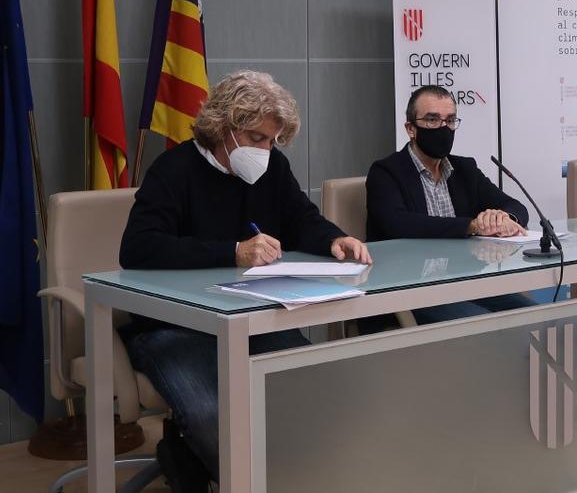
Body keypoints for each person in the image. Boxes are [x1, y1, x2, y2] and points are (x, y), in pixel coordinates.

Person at [119, 70, 371, 492]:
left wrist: (334, 239)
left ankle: (288, 478)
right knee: (211, 414)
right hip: (174, 326)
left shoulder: (272, 169)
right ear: (224, 128)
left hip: (250, 318)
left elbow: (300, 219)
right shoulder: (174, 169)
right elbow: (138, 249)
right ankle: (241, 478)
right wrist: (232, 251)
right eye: (257, 138)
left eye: (273, 141)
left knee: (313, 387)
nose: (266, 150)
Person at [365, 85, 535, 326]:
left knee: (534, 315)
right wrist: (471, 226)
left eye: (450, 120)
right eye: (432, 120)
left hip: (466, 283)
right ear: (411, 129)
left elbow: (516, 206)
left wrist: (504, 218)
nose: (443, 128)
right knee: (484, 327)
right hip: (411, 291)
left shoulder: (465, 169)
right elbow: (399, 224)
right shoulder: (386, 172)